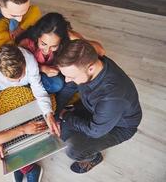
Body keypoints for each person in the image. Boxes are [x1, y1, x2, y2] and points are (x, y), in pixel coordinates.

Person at [54, 39, 142, 173]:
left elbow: (95, 131)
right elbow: (69, 87)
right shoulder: (90, 64)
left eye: (71, 76)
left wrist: (66, 115)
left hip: (119, 126)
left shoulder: (112, 97)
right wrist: (56, 113)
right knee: (63, 130)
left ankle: (92, 158)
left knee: (73, 150)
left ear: (91, 68)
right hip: (95, 108)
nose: (67, 80)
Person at [0, 45, 60, 182]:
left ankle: (22, 165)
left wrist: (48, 114)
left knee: (39, 119)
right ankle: (24, 166)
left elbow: (37, 88)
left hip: (27, 90)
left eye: (20, 76)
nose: (17, 81)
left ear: (24, 62)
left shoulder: (29, 59)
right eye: (12, 79)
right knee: (6, 134)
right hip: (3, 96)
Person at [16, 12, 106, 114]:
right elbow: (20, 66)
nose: (47, 50)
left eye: (54, 46)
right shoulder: (27, 42)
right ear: (37, 37)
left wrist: (77, 38)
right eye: (43, 44)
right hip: (32, 71)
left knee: (78, 79)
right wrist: (42, 69)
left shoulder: (67, 39)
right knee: (57, 84)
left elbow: (101, 51)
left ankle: (61, 107)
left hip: (58, 72)